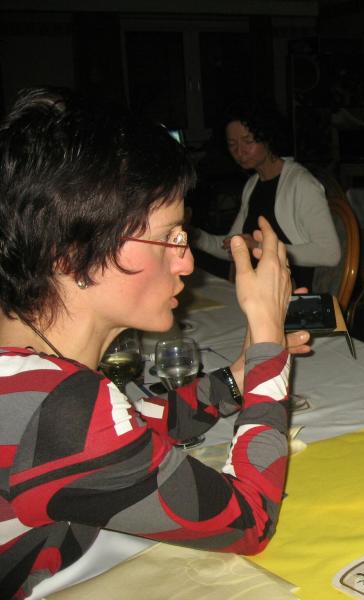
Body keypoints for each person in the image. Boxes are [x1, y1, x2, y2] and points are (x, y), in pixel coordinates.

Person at [0, 87, 311, 598]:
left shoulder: (33, 381)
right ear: (70, 253)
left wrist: (239, 376)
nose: (186, 262)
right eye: (169, 238)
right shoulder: (56, 406)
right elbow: (249, 519)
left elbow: (134, 424)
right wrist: (267, 339)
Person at [192, 101, 341, 289]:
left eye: (248, 142)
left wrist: (259, 247)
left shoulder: (301, 184)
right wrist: (195, 236)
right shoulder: (253, 184)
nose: (240, 152)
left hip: (292, 292)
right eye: (232, 145)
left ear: (268, 138)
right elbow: (232, 247)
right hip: (258, 288)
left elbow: (330, 253)